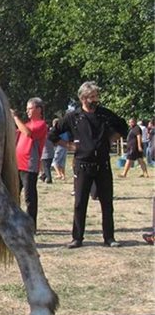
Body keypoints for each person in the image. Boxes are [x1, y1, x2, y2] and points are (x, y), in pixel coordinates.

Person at [49, 81, 128, 249]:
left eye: (96, 96)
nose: (96, 100)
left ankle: (109, 237)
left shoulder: (105, 114)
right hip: (82, 165)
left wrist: (109, 140)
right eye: (92, 97)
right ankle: (77, 238)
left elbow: (123, 127)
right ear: (83, 98)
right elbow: (53, 135)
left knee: (107, 202)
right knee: (79, 203)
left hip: (103, 165)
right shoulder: (72, 116)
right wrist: (69, 146)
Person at [13, 98, 47, 229]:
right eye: (26, 109)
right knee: (14, 194)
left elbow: (28, 133)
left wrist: (15, 117)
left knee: (29, 197)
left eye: (29, 108)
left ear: (38, 109)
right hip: (17, 164)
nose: (27, 111)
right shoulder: (26, 124)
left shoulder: (41, 124)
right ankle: (17, 221)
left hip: (29, 165)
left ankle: (31, 225)